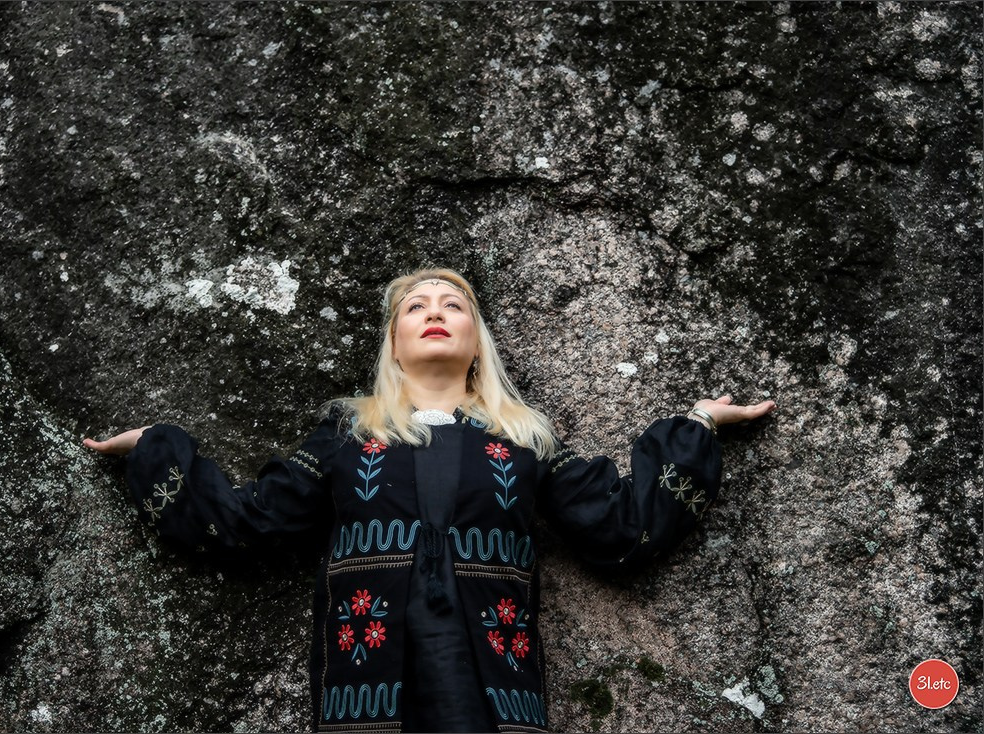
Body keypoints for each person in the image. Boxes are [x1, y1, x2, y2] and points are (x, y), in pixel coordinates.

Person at [84, 267, 775, 733]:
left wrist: (696, 426)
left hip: (488, 676)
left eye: (454, 307)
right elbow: (252, 521)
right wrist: (154, 447)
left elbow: (621, 528)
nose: (436, 314)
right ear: (393, 340)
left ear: (477, 340)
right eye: (416, 307)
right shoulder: (345, 433)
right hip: (370, 671)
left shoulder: (525, 436)